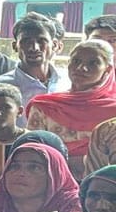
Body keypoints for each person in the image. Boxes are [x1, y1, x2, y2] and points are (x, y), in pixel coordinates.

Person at [26, 39, 116, 178]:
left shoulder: (113, 112)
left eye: (93, 63)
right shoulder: (45, 107)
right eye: (76, 61)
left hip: (105, 190)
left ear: (108, 69)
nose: (81, 68)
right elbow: (33, 155)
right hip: (53, 187)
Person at [0, 12, 67, 122]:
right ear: (15, 46)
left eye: (41, 41)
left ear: (55, 45)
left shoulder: (69, 83)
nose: (34, 48)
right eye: (26, 41)